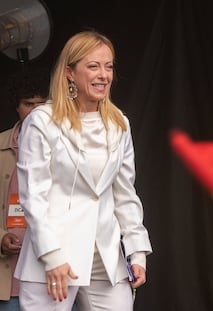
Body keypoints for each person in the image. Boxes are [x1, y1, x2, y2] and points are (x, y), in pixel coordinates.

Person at [14, 30, 153, 311]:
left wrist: (137, 250)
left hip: (105, 258)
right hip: (53, 257)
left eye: (109, 66)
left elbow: (125, 194)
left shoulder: (118, 124)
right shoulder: (42, 122)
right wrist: (51, 256)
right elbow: (34, 198)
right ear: (69, 73)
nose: (104, 74)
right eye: (93, 66)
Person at [0, 67, 49, 311]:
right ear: (16, 106)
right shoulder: (0, 147)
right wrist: (0, 237)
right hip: (8, 277)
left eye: (42, 105)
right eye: (29, 104)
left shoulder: (68, 147)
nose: (36, 112)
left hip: (52, 275)